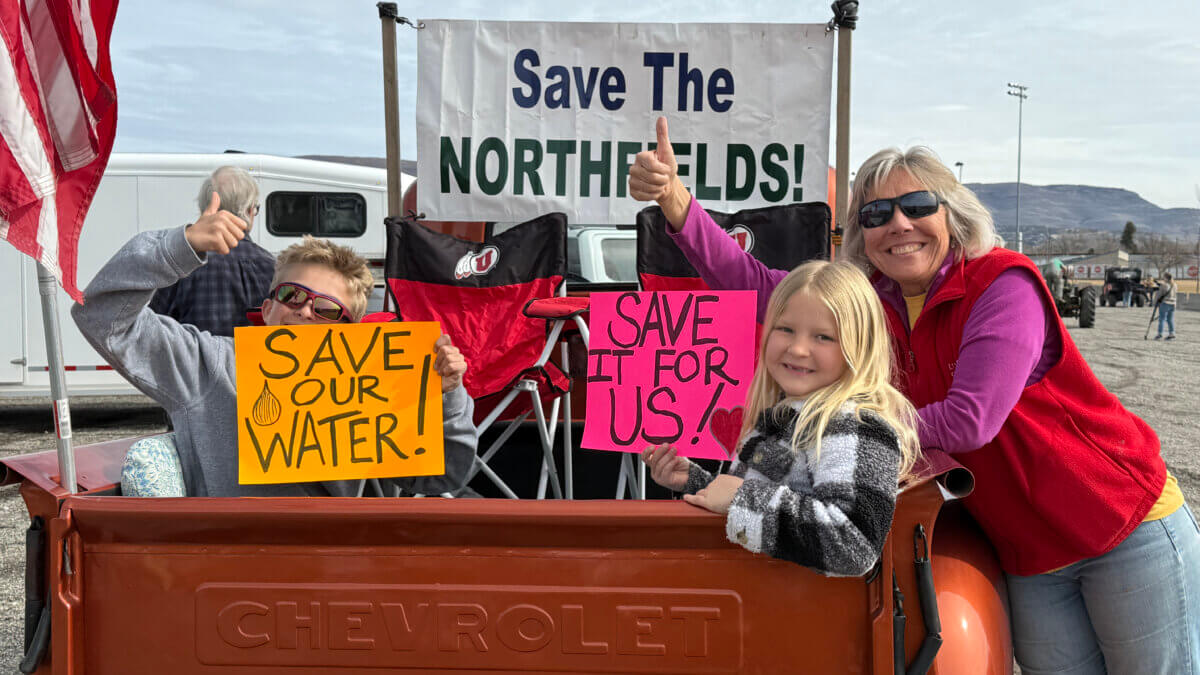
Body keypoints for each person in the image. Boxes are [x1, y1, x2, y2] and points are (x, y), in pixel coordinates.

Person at [629, 116, 1200, 674]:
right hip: (1025, 552)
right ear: (862, 234)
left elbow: (970, 420)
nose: (899, 223)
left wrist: (843, 430)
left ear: (951, 214)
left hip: (1120, 524)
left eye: (918, 206)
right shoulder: (872, 305)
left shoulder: (1003, 284)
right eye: (876, 214)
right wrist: (678, 206)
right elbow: (761, 287)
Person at [73, 195, 477, 497]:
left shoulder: (376, 384)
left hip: (341, 577)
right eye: (292, 295)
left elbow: (447, 476)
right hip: (232, 572)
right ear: (267, 309)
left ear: (352, 331)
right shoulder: (210, 365)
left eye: (326, 309)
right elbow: (101, 316)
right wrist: (183, 244)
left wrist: (446, 396)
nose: (304, 313)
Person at [641, 260, 920, 577]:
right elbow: (759, 499)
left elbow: (854, 544)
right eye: (785, 329)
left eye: (823, 337)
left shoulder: (856, 426)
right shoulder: (780, 417)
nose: (799, 349)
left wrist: (741, 498)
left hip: (805, 617)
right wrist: (697, 482)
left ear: (860, 348)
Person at [149, 166, 276, 336]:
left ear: (206, 208)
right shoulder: (273, 267)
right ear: (248, 210)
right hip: (253, 362)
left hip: (192, 362)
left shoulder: (180, 264)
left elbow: (152, 329)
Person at [1154, 272, 1178, 340]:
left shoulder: (1164, 285)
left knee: (1162, 319)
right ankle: (1172, 333)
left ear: (1165, 278)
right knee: (1170, 319)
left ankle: (1160, 333)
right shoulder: (1175, 285)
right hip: (1173, 303)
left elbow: (1159, 295)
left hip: (1165, 303)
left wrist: (1155, 303)